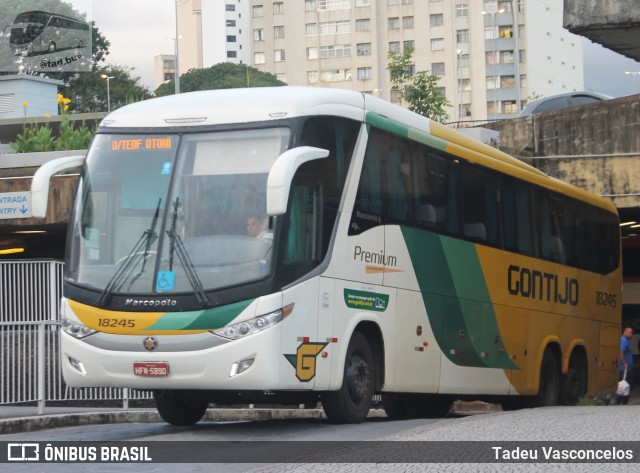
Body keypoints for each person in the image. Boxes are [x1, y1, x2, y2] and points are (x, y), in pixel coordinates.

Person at [615, 326, 635, 405]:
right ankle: (618, 400)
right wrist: (625, 363)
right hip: (624, 368)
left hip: (626, 368)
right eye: (630, 332)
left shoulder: (625, 341)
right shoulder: (623, 340)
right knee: (626, 385)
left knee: (627, 385)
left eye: (632, 333)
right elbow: (621, 352)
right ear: (625, 332)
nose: (631, 334)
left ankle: (624, 400)